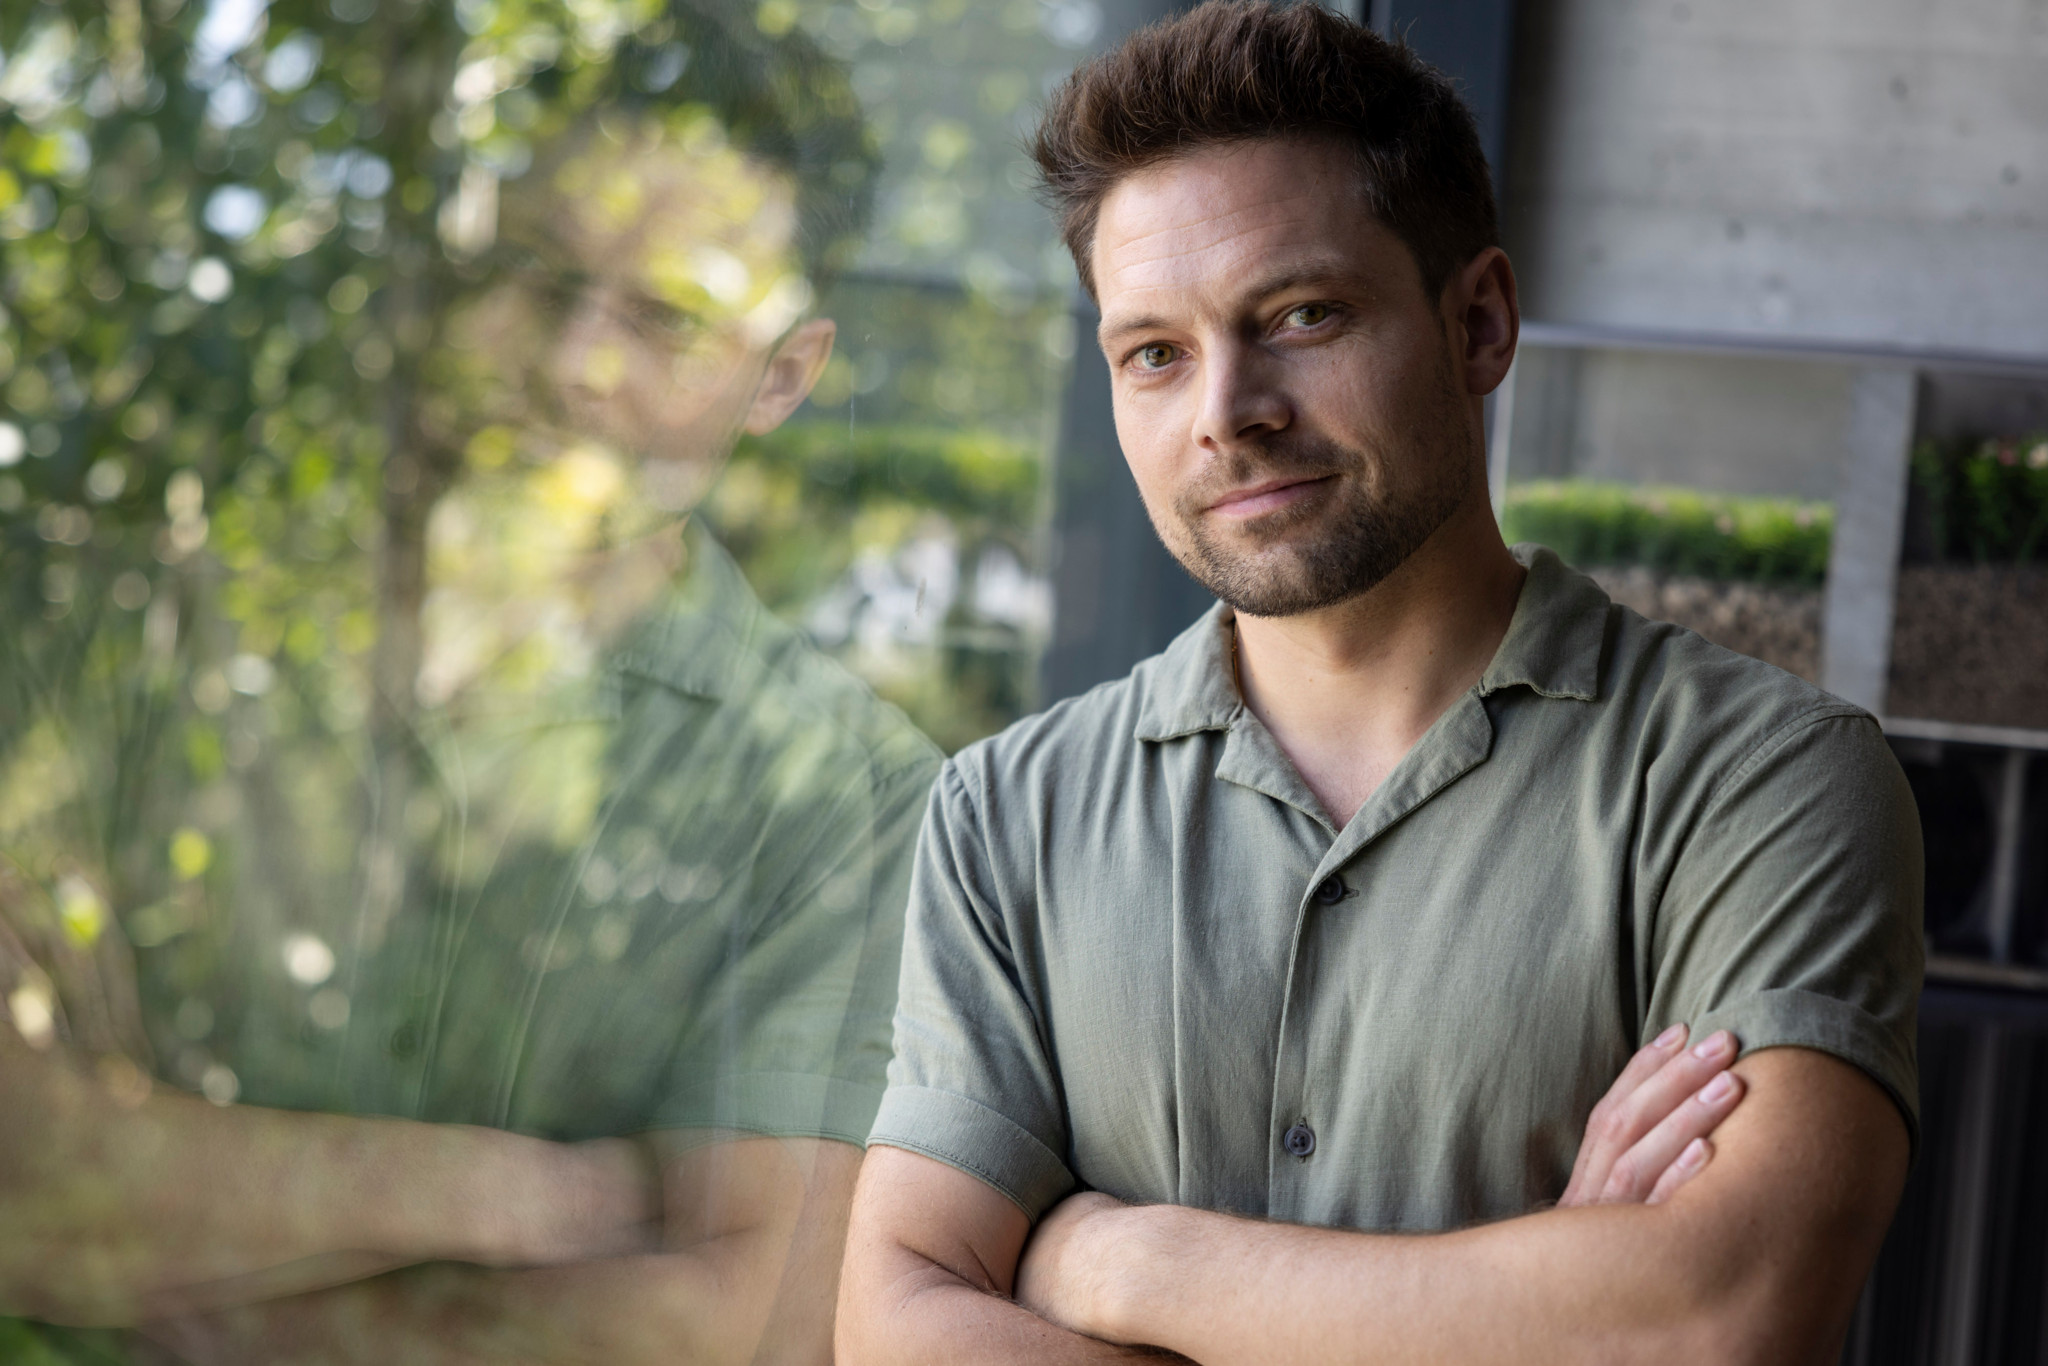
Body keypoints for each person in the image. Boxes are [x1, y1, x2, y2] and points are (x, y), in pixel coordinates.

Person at [836, 5, 1922, 1364]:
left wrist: (1117, 1253)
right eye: (1155, 353)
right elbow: (898, 1322)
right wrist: (1537, 1304)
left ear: (1478, 322)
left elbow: (1710, 1315)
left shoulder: (1759, 783)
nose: (1228, 410)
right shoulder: (1007, 813)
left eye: (1299, 314)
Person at [0, 6, 938, 1363]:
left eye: (667, 316)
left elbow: (722, 1328)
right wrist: (530, 1195)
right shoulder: (161, 633)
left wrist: (166, 1242)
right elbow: (20, 1182)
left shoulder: (843, 796)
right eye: (538, 278)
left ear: (784, 375)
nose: (571, 365)